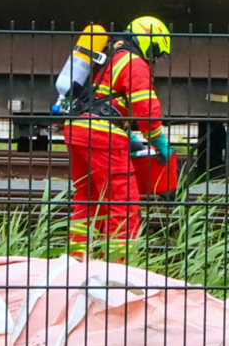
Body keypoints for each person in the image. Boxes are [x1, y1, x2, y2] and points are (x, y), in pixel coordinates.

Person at [63, 17, 172, 262]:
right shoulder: (133, 62)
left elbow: (103, 99)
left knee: (87, 198)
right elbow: (146, 107)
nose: (152, 59)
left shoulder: (108, 54)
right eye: (155, 52)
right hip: (102, 135)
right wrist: (157, 140)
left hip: (77, 128)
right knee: (122, 202)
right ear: (148, 41)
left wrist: (129, 137)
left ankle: (76, 262)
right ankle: (118, 269)